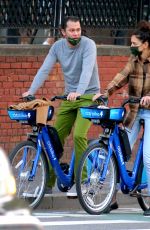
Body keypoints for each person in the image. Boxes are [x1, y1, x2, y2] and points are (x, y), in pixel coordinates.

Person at [22, 16, 101, 197]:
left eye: (78, 30)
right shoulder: (57, 47)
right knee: (54, 138)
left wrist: (79, 92)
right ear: (63, 32)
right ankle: (47, 184)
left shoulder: (89, 45)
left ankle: (82, 182)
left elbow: (87, 71)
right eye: (72, 30)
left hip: (88, 96)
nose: (76, 33)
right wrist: (30, 91)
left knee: (80, 135)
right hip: (69, 98)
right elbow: (44, 69)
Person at [93, 20, 150, 216]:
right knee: (117, 152)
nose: (131, 48)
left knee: (148, 158)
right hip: (133, 112)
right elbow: (120, 77)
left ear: (145, 44)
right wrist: (105, 93)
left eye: (134, 44)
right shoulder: (133, 61)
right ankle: (112, 198)